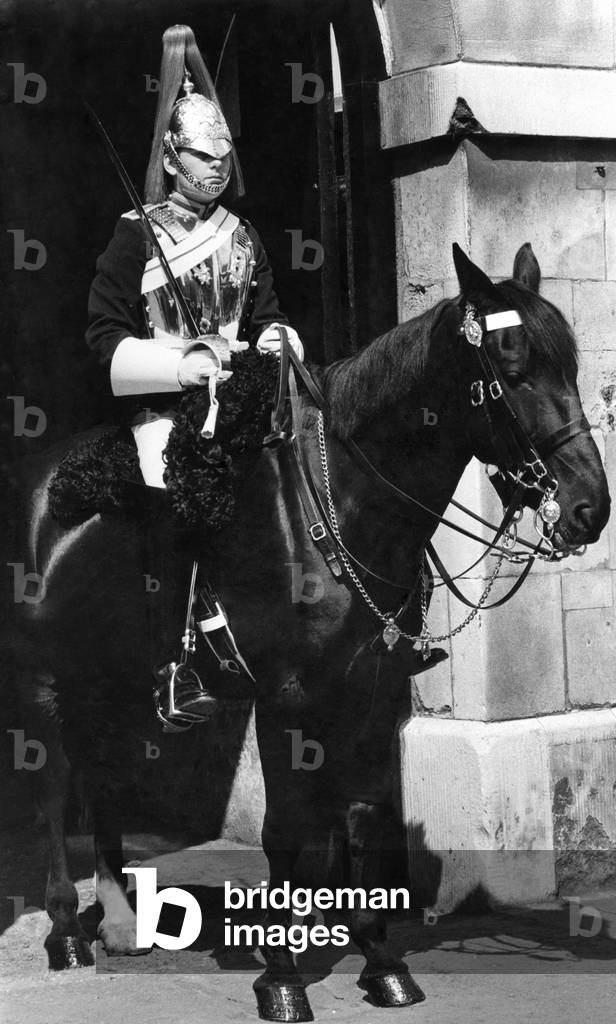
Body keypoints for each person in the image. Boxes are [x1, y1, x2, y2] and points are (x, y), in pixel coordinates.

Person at [86, 24, 303, 731]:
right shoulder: (134, 232)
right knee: (172, 491)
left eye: (224, 157)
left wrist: (275, 340)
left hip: (239, 400)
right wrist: (182, 362)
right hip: (164, 409)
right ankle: (172, 666)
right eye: (204, 157)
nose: (217, 169)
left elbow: (267, 314)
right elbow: (104, 339)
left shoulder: (244, 237)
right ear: (173, 159)